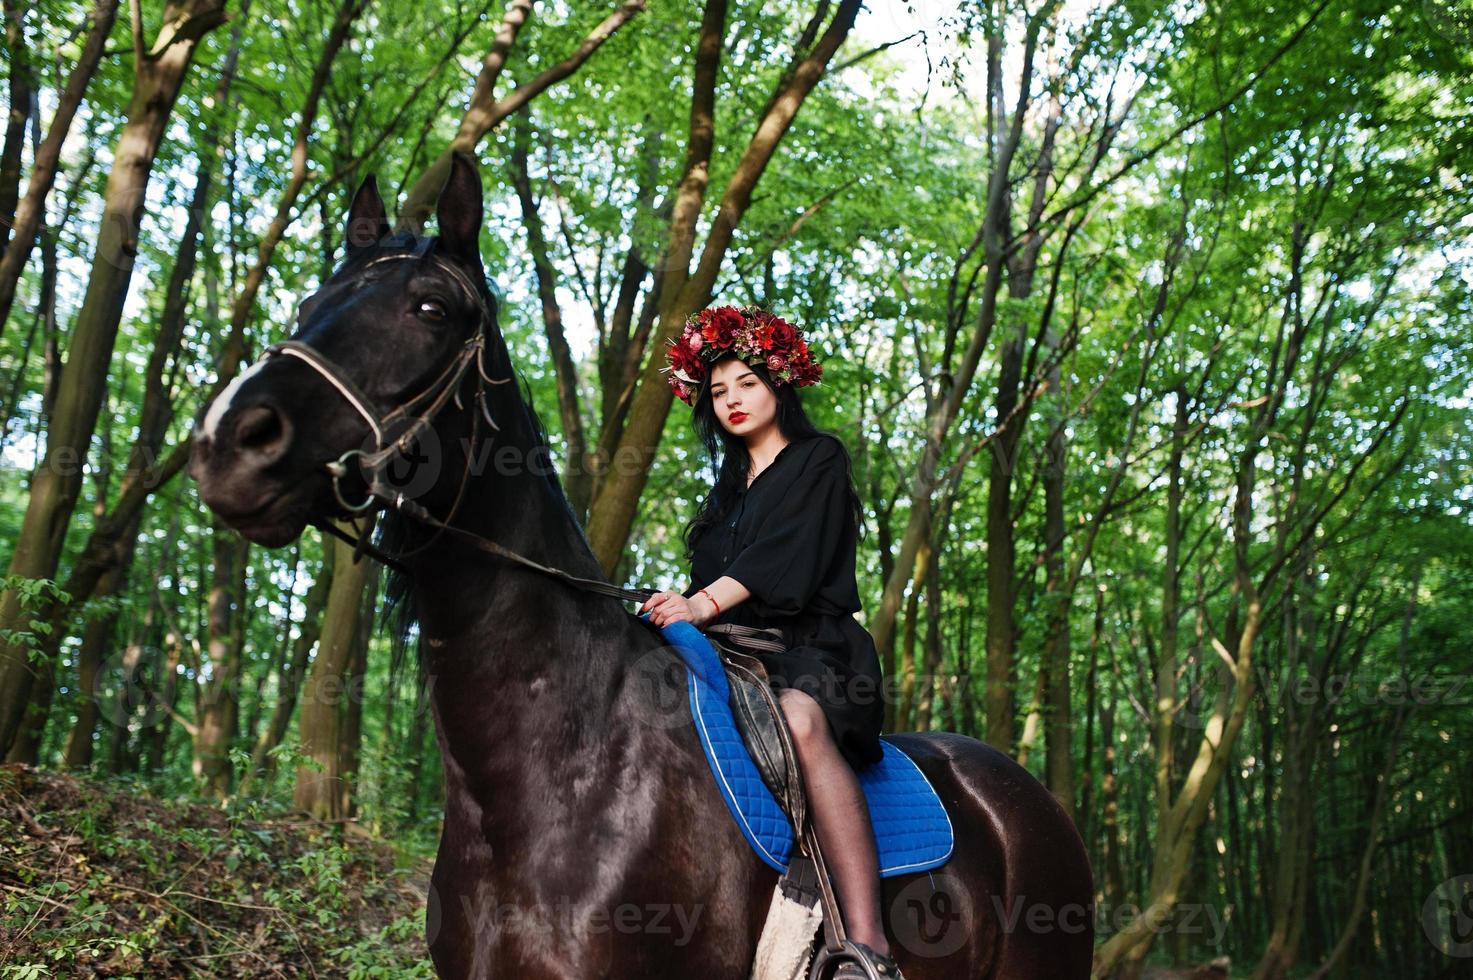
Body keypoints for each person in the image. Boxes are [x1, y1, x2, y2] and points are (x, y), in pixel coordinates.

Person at [639, 305, 904, 980]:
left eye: (744, 384)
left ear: (778, 385)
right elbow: (712, 582)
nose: (730, 400)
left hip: (810, 651)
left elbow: (782, 562)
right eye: (718, 391)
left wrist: (698, 604)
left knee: (799, 719)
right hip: (729, 647)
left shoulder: (818, 459)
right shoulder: (725, 491)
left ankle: (865, 947)